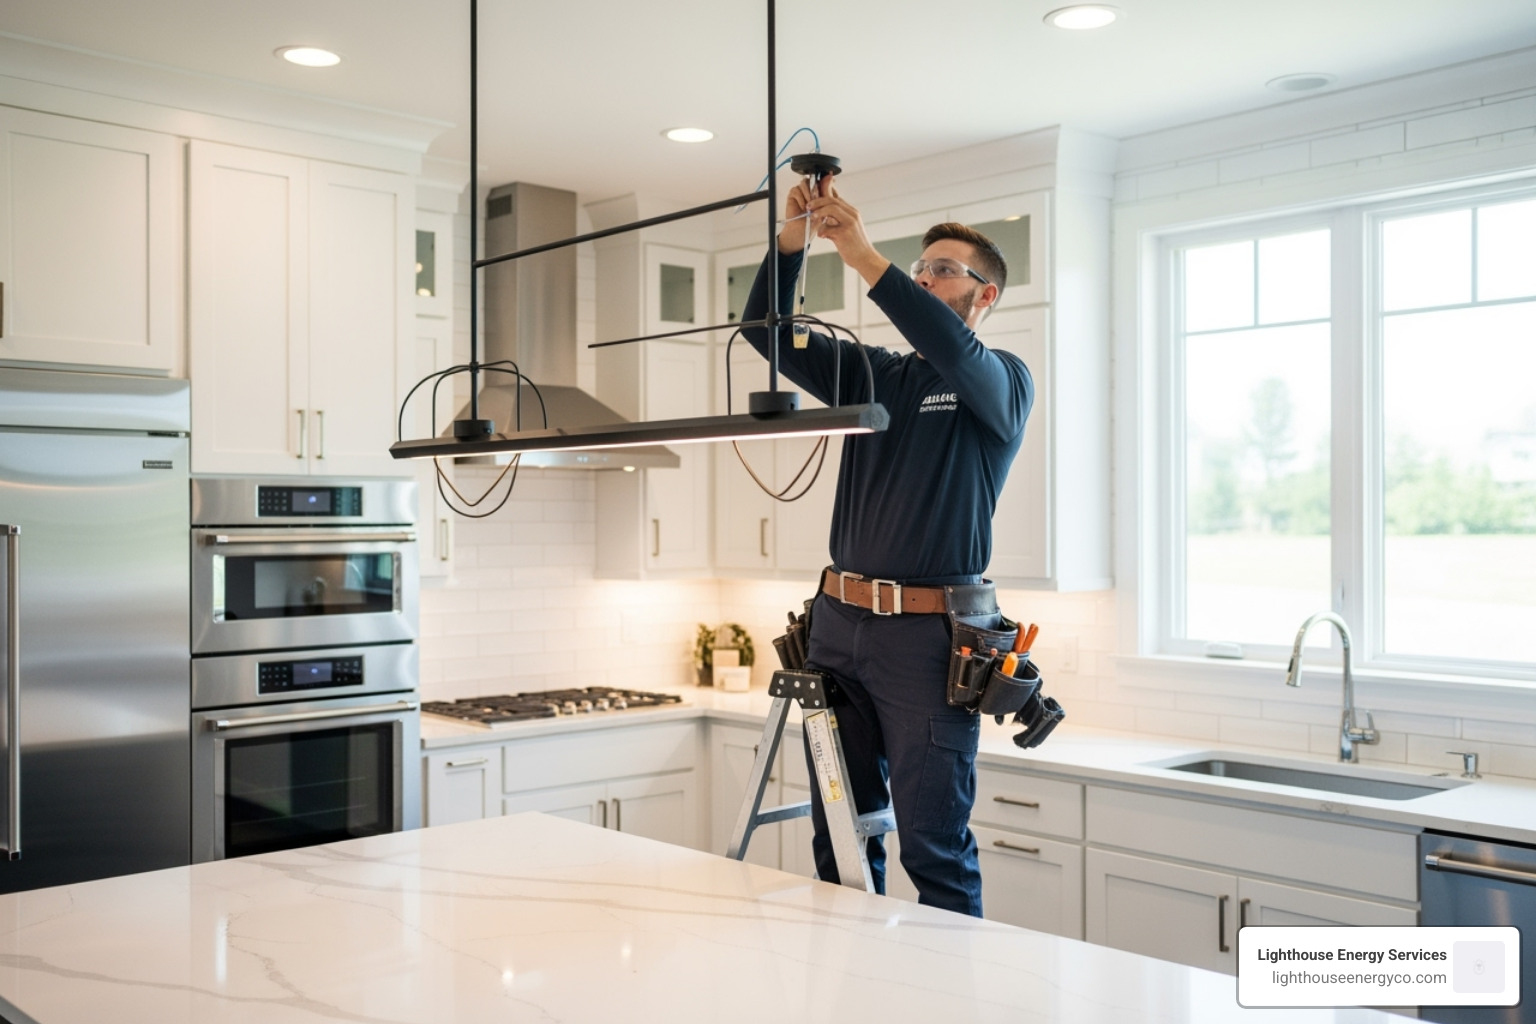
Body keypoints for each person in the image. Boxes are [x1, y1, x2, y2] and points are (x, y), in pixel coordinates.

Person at [739, 176, 1034, 917]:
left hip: (929, 646)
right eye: (921, 264)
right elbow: (764, 331)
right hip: (838, 628)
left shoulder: (999, 384)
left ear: (985, 296)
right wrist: (793, 243)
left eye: (942, 268)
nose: (925, 275)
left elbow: (950, 347)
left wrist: (864, 255)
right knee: (837, 834)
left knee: (931, 845)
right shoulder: (879, 373)